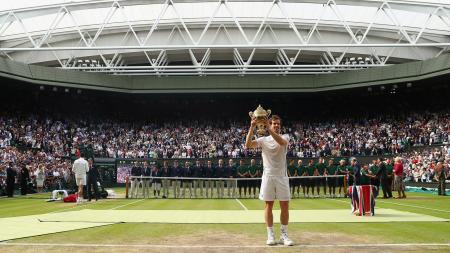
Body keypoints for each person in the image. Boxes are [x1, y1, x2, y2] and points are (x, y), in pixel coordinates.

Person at [245, 115, 294, 246]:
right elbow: (248, 145)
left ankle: (284, 235)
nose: (276, 125)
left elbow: (281, 143)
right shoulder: (263, 140)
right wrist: (251, 126)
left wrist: (267, 126)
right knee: (268, 206)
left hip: (282, 177)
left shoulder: (285, 137)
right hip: (267, 177)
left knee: (284, 206)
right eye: (274, 124)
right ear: (270, 124)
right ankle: (270, 235)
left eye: (278, 124)